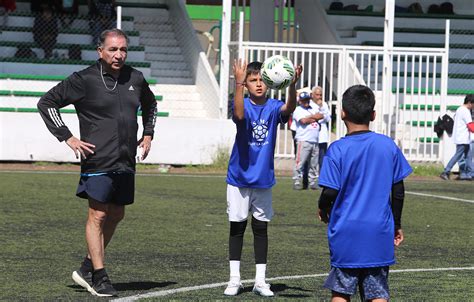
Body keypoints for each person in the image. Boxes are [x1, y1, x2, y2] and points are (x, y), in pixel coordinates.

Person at [37, 28, 157, 297]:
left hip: (126, 159)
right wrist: (68, 138)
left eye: (123, 49)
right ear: (100, 51)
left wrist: (148, 133)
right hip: (97, 159)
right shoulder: (85, 79)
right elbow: (47, 103)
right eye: (113, 50)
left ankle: (86, 267)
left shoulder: (135, 78)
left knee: (117, 214)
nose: (119, 55)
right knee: (99, 214)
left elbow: (151, 105)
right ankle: (99, 277)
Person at [318, 85, 412, 302]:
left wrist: (323, 208)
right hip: (378, 231)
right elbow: (398, 191)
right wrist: (396, 224)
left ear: (342, 113)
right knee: (377, 293)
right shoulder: (387, 145)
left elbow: (330, 190)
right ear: (373, 114)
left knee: (341, 292)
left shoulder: (337, 149)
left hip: (346, 232)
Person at [224, 59, 302, 297]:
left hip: (263, 179)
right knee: (237, 228)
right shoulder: (241, 103)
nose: (258, 84)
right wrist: (238, 83)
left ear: (269, 82)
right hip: (238, 178)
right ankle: (234, 279)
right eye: (252, 80)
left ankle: (260, 280)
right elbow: (238, 115)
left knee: (261, 229)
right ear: (246, 84)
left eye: (261, 80)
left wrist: (291, 85)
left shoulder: (273, 106)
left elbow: (289, 110)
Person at [292, 91, 324, 190]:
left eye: (307, 100)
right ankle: (297, 181)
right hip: (303, 139)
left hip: (314, 139)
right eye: (304, 100)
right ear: (300, 101)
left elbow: (321, 116)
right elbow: (303, 121)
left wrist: (309, 117)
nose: (306, 102)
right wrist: (314, 118)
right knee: (300, 162)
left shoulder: (313, 108)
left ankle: (313, 182)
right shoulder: (298, 110)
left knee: (314, 164)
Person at [440, 95, 474, 181]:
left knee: (468, 156)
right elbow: (470, 126)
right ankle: (446, 171)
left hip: (462, 138)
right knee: (458, 156)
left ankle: (471, 173)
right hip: (463, 138)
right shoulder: (466, 111)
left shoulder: (459, 109)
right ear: (470, 103)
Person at [311, 86, 331, 170]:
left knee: (322, 156)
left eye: (321, 95)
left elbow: (328, 118)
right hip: (311, 135)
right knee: (312, 157)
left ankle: (321, 175)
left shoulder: (324, 105)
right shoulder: (309, 104)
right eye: (317, 95)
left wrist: (321, 108)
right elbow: (312, 117)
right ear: (312, 95)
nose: (319, 97)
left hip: (322, 135)